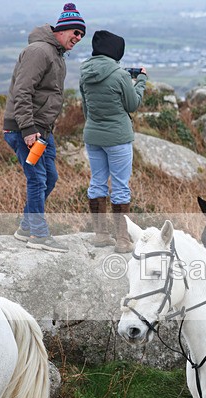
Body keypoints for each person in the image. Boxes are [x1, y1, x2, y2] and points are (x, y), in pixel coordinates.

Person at [4, 3, 86, 253]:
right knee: (37, 179)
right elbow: (22, 90)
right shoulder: (39, 51)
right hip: (25, 129)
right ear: (62, 30)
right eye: (76, 32)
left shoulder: (56, 54)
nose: (78, 38)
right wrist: (28, 129)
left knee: (50, 177)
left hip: (43, 131)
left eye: (81, 35)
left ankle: (26, 228)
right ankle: (39, 235)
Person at [80, 30, 146, 253]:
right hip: (117, 137)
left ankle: (100, 235)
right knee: (120, 187)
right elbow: (132, 104)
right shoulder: (120, 75)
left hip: (93, 135)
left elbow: (85, 108)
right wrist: (141, 81)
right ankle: (122, 240)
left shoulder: (84, 72)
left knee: (97, 182)